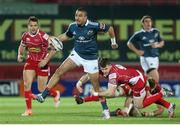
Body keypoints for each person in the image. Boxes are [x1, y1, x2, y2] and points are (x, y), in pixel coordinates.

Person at [35, 7, 118, 119]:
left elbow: (110, 28)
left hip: (91, 59)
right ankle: (43, 95)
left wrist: (113, 42)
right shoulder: (72, 26)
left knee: (96, 87)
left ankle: (106, 111)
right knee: (59, 71)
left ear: (85, 17)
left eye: (80, 16)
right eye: (76, 15)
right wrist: (55, 40)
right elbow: (66, 36)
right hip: (77, 54)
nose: (77, 18)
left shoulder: (93, 25)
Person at [90, 58, 175, 119]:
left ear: (109, 66)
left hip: (137, 81)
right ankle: (169, 105)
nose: (104, 71)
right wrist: (80, 82)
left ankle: (162, 93)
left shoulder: (113, 75)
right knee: (148, 98)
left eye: (105, 69)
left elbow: (110, 92)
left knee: (139, 105)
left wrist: (96, 93)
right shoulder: (114, 66)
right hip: (135, 76)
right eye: (102, 69)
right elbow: (89, 74)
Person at [17, 16, 60, 116]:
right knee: (27, 85)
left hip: (42, 64)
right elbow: (22, 46)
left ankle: (55, 93)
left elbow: (55, 48)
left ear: (38, 26)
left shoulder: (44, 36)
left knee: (41, 89)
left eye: (35, 25)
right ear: (28, 26)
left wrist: (45, 60)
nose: (33, 27)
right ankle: (28, 110)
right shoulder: (25, 36)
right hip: (30, 62)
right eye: (31, 25)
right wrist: (19, 55)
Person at [127, 15, 165, 116]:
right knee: (155, 81)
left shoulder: (155, 31)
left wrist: (156, 45)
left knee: (148, 84)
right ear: (142, 23)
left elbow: (162, 42)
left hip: (155, 59)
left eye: (150, 21)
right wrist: (137, 51)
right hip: (146, 59)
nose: (148, 23)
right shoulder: (139, 34)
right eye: (146, 22)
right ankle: (159, 107)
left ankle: (132, 105)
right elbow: (129, 43)